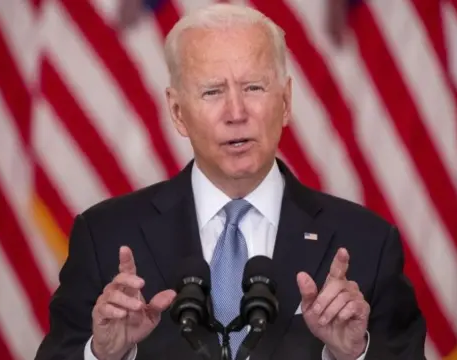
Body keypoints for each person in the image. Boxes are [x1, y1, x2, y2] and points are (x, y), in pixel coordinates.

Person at [34, 3, 426, 360]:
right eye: (212, 92)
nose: (236, 112)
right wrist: (102, 355)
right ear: (177, 112)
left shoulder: (365, 243)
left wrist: (354, 355)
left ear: (286, 102)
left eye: (253, 87)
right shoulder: (104, 236)